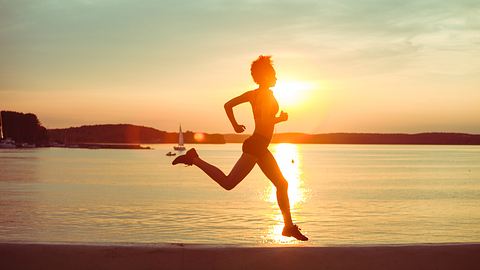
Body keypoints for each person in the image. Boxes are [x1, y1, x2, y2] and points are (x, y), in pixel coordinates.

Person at [172, 55, 308, 241]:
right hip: (257, 145)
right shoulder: (267, 95)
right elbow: (265, 120)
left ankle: (288, 226)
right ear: (266, 76)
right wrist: (280, 119)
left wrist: (236, 125)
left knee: (282, 184)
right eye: (274, 74)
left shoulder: (254, 94)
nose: (276, 78)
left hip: (258, 144)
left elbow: (229, 106)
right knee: (229, 183)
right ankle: (193, 158)